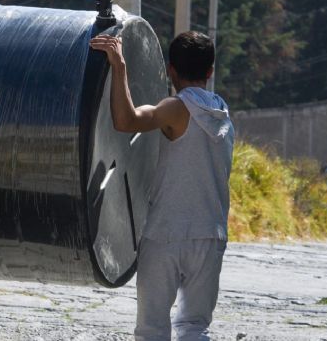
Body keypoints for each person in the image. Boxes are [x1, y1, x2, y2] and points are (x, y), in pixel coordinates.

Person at [89, 31, 235, 341]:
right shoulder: (222, 114)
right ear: (210, 71)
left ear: (171, 70)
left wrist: (120, 67)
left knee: (152, 329)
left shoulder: (175, 109)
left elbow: (126, 121)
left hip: (166, 233)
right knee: (195, 328)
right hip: (210, 234)